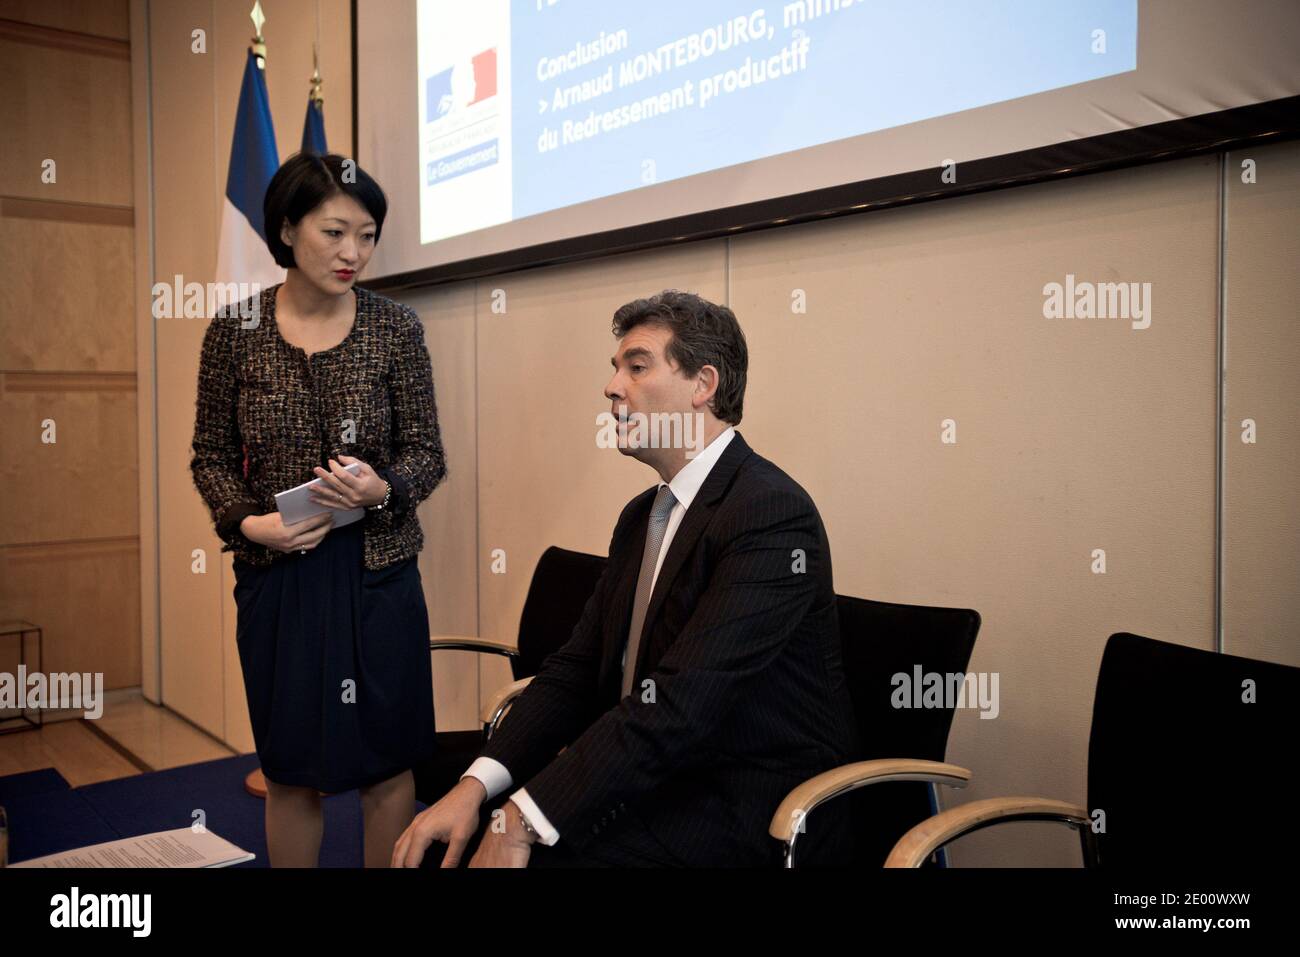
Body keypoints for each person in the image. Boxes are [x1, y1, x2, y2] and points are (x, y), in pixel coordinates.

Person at [393, 290, 857, 868]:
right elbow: (575, 670)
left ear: (702, 385)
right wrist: (476, 788)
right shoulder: (644, 515)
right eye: (615, 369)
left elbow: (681, 706)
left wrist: (521, 818)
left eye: (636, 366)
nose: (612, 387)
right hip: (653, 773)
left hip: (744, 801)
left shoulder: (770, 514)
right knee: (464, 832)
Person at [189, 152, 447, 867]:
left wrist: (382, 488)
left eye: (367, 235)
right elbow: (209, 456)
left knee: (389, 765)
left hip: (378, 577)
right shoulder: (234, 330)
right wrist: (250, 524)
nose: (352, 253)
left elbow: (428, 452)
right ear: (286, 228)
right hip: (281, 577)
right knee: (291, 770)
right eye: (335, 232)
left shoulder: (396, 328)